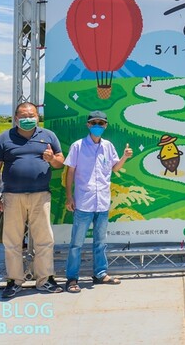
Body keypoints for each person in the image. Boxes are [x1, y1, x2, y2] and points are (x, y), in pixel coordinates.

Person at [0, 102, 65, 298]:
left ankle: (45, 279)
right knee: (12, 241)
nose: (28, 118)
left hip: (41, 195)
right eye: (23, 115)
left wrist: (51, 159)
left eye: (31, 115)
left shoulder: (48, 136)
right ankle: (15, 281)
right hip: (12, 196)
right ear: (15, 118)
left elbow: (60, 162)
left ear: (38, 117)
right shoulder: (3, 138)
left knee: (44, 239)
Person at [63, 110, 132, 292]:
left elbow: (115, 168)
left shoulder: (108, 146)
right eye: (94, 122)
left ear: (106, 126)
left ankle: (100, 273)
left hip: (102, 202)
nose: (97, 126)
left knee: (100, 242)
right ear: (88, 124)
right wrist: (69, 196)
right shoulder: (78, 146)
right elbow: (70, 172)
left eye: (101, 123)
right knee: (76, 243)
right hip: (83, 202)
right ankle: (72, 279)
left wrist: (124, 156)